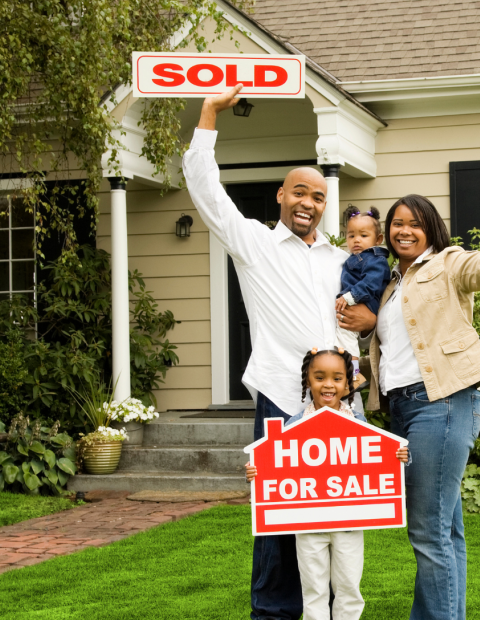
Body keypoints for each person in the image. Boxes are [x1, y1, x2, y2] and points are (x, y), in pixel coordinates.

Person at [182, 84, 377, 620]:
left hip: (344, 403)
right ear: (280, 196)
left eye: (318, 197)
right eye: (299, 193)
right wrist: (208, 115)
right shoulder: (253, 243)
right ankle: (272, 613)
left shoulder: (341, 259)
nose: (309, 203)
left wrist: (363, 339)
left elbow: (358, 317)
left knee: (340, 518)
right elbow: (204, 189)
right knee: (280, 516)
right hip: (282, 400)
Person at [353, 166, 480, 620]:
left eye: (415, 223)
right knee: (446, 530)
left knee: (427, 530)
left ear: (430, 230)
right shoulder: (387, 286)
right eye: (397, 223)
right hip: (402, 409)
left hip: (442, 403)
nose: (404, 230)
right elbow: (400, 351)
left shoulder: (448, 264)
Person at [245, 347, 409, 620]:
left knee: (348, 588)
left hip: (349, 524)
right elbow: (276, 466)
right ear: (308, 381)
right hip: (308, 525)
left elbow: (379, 459)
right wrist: (257, 473)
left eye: (337, 378)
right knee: (313, 590)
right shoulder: (294, 425)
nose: (328, 385)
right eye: (319, 377)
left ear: (348, 384)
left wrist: (399, 456)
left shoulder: (359, 422)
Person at [334, 205, 391, 389]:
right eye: (351, 236)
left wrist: (349, 297)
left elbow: (371, 283)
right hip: (358, 302)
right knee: (343, 337)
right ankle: (350, 372)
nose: (356, 240)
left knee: (345, 335)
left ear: (378, 239)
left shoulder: (374, 259)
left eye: (363, 236)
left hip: (366, 303)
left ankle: (355, 375)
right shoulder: (354, 258)